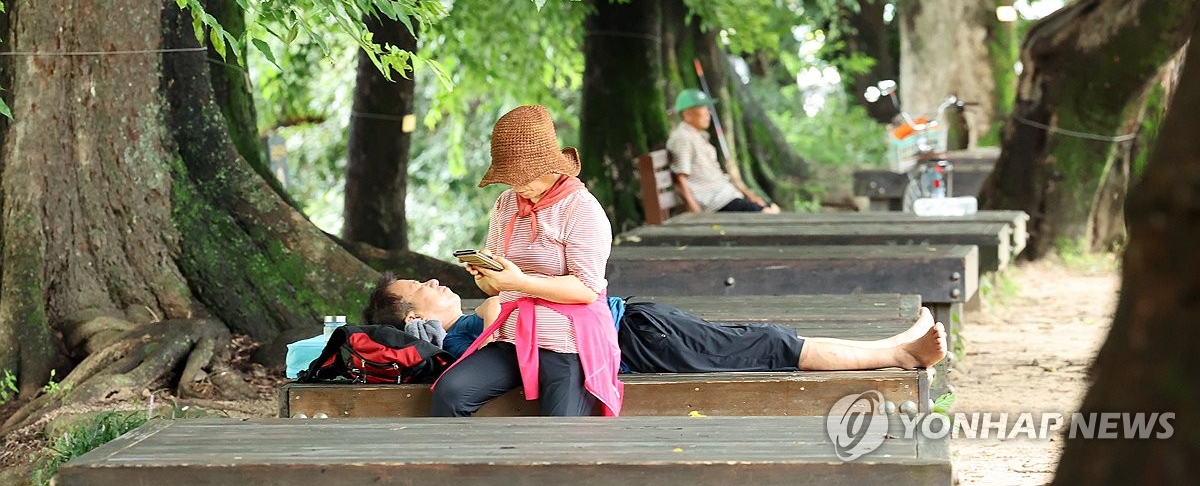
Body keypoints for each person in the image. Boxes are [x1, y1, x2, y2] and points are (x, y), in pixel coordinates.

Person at [428, 105, 623, 417]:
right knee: (450, 393)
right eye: (510, 179)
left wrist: (520, 282)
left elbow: (586, 289)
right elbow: (497, 288)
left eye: (523, 178)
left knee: (560, 435)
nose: (516, 187)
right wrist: (485, 276)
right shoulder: (506, 205)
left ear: (550, 166)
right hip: (513, 338)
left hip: (568, 343)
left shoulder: (581, 209)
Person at [365, 273, 948, 375]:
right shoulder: (462, 336)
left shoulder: (468, 321)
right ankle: (898, 354)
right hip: (633, 342)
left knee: (759, 339)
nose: (437, 283)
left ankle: (894, 346)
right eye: (424, 289)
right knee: (769, 344)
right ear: (414, 318)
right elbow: (503, 316)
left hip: (633, 323)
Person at [667, 88, 780, 214]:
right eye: (703, 108)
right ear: (687, 114)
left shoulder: (698, 136)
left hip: (727, 195)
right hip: (716, 202)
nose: (708, 114)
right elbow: (680, 179)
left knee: (772, 208)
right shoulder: (683, 138)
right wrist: (697, 214)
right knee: (769, 214)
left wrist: (749, 196)